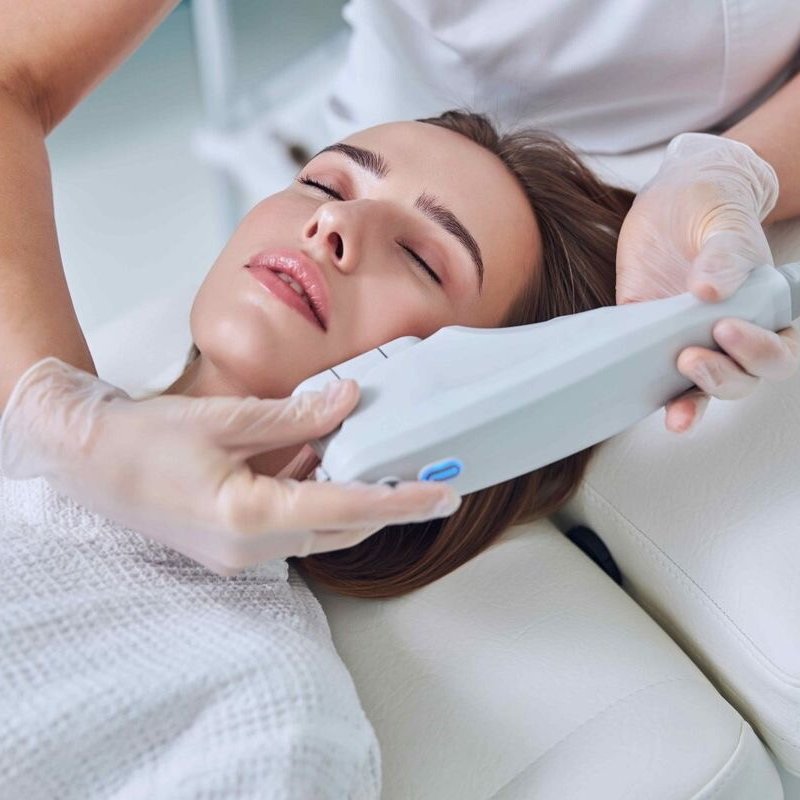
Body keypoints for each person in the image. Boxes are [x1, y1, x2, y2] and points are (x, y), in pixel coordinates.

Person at [1, 0, 798, 582]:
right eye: (320, 183)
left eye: (421, 258)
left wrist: (732, 169)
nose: (333, 222)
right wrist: (60, 420)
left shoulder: (258, 689)